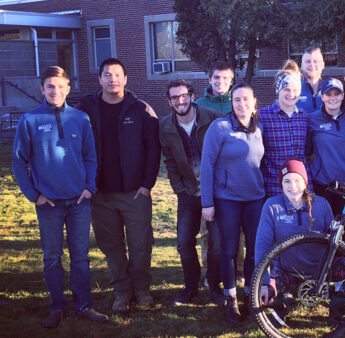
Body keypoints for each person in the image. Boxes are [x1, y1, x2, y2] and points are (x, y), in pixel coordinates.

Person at [12, 66, 108, 328]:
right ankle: (57, 306)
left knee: (80, 257)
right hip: (49, 204)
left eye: (60, 86)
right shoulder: (29, 120)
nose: (55, 91)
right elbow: (19, 163)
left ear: (68, 88)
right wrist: (34, 195)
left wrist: (89, 187)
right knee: (52, 257)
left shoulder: (80, 119)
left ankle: (84, 305)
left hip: (79, 201)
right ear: (42, 89)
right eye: (50, 86)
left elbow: (90, 156)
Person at [77, 58, 161, 312]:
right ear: (99, 79)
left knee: (140, 244)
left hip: (134, 192)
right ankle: (121, 292)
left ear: (125, 79)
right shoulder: (86, 109)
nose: (112, 79)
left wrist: (147, 184)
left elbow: (153, 149)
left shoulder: (141, 110)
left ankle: (141, 289)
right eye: (107, 75)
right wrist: (86, 184)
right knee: (112, 246)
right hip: (100, 193)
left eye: (117, 75)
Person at [255, 159, 345, 332]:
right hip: (286, 270)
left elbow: (335, 242)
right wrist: (263, 282)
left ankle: (337, 313)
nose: (292, 186)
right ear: (280, 184)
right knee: (270, 286)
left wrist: (336, 231)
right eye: (287, 181)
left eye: (297, 180)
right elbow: (262, 245)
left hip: (321, 272)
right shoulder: (272, 206)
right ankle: (280, 309)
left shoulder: (321, 204)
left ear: (305, 182)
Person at [200, 82, 265, 324]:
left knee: (254, 249)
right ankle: (232, 299)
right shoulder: (220, 127)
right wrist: (207, 202)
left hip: (255, 198)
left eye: (246, 99)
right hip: (227, 198)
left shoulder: (260, 127)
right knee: (229, 249)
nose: (241, 104)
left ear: (254, 102)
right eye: (237, 99)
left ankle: (250, 293)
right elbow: (206, 166)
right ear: (231, 102)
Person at [158, 79, 224, 306]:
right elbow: (169, 162)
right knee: (185, 243)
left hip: (214, 193)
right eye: (174, 97)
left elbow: (225, 153)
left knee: (216, 244)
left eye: (183, 95)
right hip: (188, 193)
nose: (180, 100)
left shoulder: (213, 118)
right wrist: (179, 190)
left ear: (192, 96)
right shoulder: (165, 127)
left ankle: (214, 285)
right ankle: (191, 287)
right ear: (169, 101)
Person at [194, 61, 244, 286]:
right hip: (210, 176)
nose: (220, 82)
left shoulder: (241, 103)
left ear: (231, 81)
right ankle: (210, 272)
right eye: (216, 78)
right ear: (209, 80)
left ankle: (239, 271)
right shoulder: (199, 106)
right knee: (209, 231)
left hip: (238, 178)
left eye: (225, 78)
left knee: (239, 231)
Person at [307, 78, 345, 253]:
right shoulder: (313, 119)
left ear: (342, 96)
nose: (332, 98)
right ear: (322, 97)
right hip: (323, 185)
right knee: (326, 231)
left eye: (336, 94)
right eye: (328, 94)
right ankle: (328, 273)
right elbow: (307, 149)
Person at [259, 60, 310, 198]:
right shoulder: (262, 116)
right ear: (278, 90)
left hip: (301, 188)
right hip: (273, 187)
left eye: (295, 90)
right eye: (286, 89)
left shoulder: (304, 117)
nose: (291, 94)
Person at [297, 47, 325, 113]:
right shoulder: (294, 91)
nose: (312, 65)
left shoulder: (329, 90)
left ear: (323, 65)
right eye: (308, 62)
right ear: (302, 66)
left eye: (315, 61)